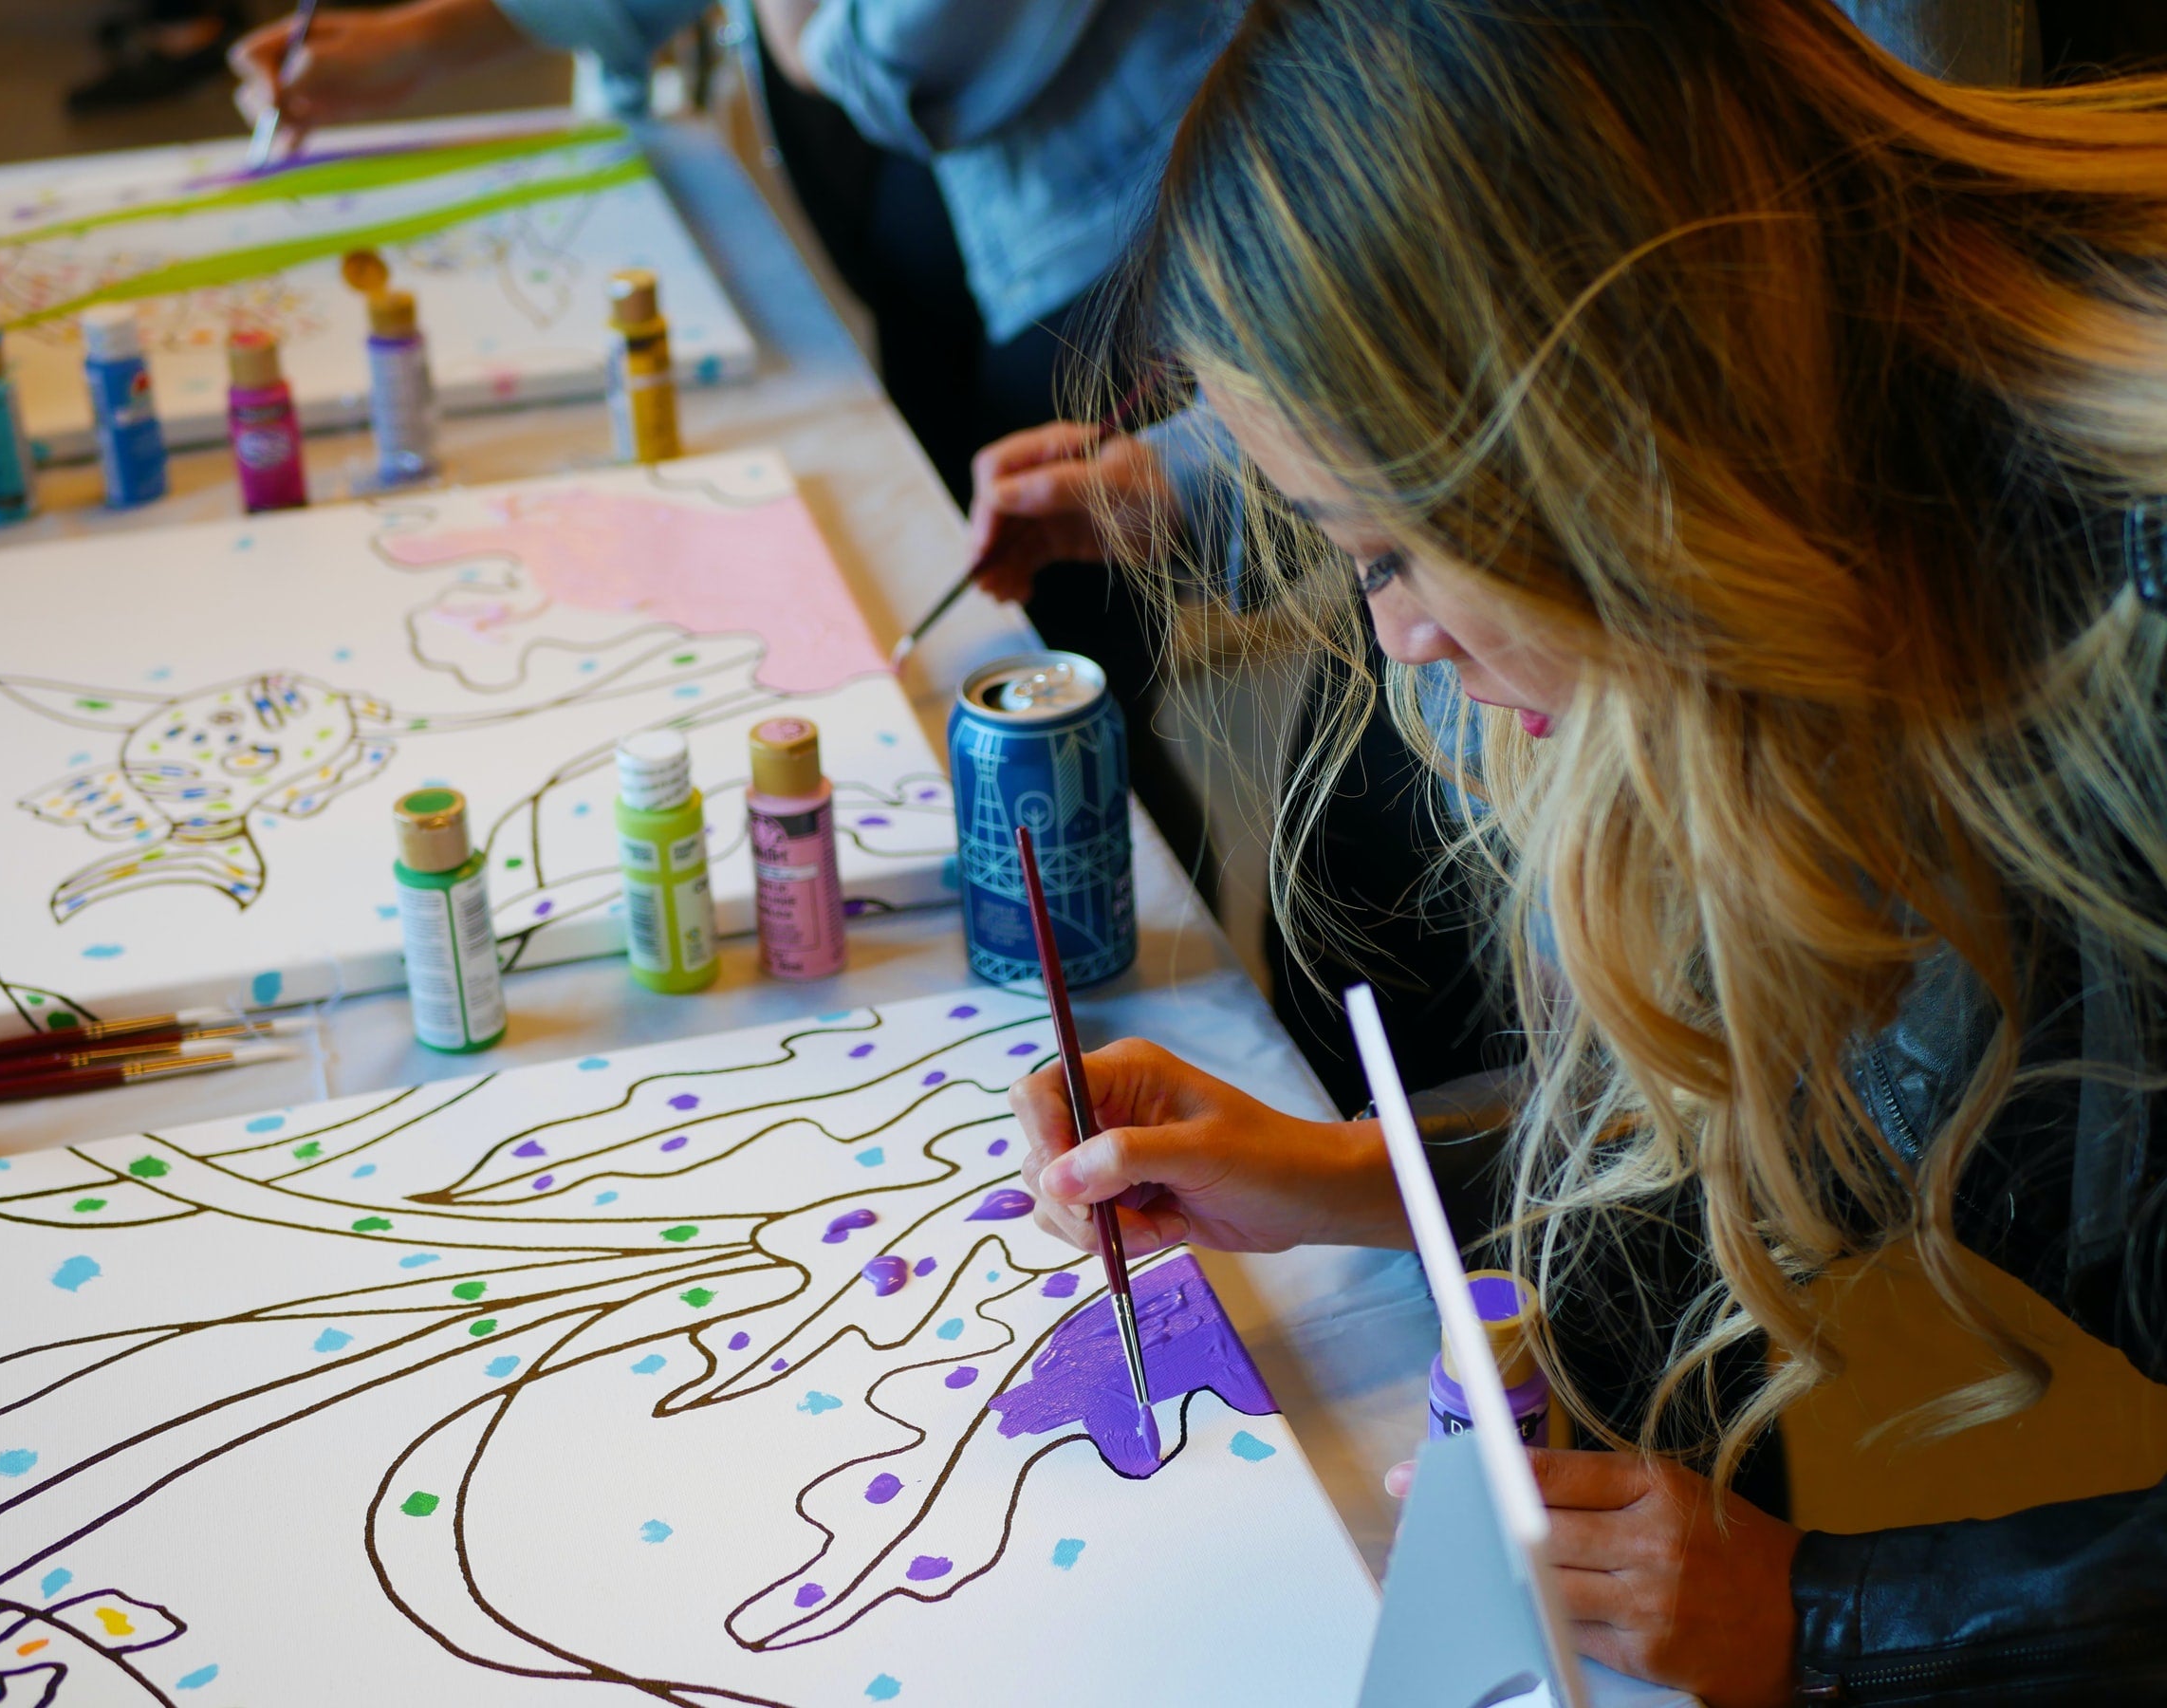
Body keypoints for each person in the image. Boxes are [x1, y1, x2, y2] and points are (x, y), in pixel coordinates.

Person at [1001, 2, 2167, 1702]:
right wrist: (1354, 1181)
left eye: (1391, 550)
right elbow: (1795, 1086)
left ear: (1605, 458)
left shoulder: (2118, 669)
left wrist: (1835, 1620)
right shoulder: (1824, 555)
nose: (1393, 638)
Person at [227, 0, 1239, 887]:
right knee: (999, 564)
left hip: (1123, 211)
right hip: (962, 208)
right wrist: (432, 38)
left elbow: (886, 58)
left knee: (1077, 681)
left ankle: (1148, 912)